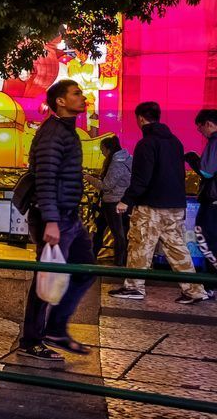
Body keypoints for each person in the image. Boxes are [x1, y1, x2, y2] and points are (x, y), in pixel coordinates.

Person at [18, 79, 96, 360]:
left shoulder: (67, 131)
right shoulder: (53, 133)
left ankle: (55, 329)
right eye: (76, 93)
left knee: (85, 269)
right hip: (55, 218)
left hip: (69, 217)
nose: (82, 97)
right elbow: (46, 178)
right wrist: (51, 220)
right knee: (47, 278)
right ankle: (31, 340)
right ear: (60, 101)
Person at [110, 102, 208, 303]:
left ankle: (134, 287)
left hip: (152, 206)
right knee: (177, 248)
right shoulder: (175, 142)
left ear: (141, 118)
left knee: (140, 245)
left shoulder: (146, 143)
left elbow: (141, 178)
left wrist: (126, 200)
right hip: (176, 205)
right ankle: (194, 290)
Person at [186, 108, 217, 301]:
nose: (202, 134)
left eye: (200, 129)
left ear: (208, 124)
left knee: (204, 238)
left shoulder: (215, 141)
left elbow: (207, 171)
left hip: (212, 202)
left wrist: (193, 160)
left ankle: (210, 284)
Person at [91, 136, 132, 267]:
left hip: (113, 202)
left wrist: (89, 178)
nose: (102, 153)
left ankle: (119, 264)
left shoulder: (116, 162)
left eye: (102, 150)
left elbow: (107, 185)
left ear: (108, 149)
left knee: (118, 233)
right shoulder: (128, 159)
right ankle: (91, 257)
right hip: (121, 201)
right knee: (100, 228)